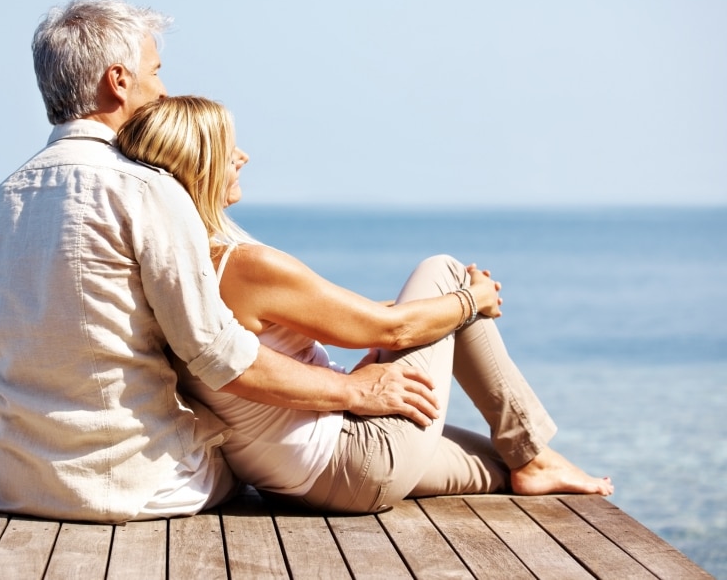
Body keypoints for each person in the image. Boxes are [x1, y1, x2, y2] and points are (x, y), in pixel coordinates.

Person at [0, 0, 448, 523]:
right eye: (155, 73)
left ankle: (522, 459)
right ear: (118, 80)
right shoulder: (144, 188)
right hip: (135, 483)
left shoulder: (9, 193)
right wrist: (351, 389)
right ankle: (525, 452)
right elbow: (215, 353)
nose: (163, 90)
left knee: (450, 461)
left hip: (20, 479)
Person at [116, 95, 614, 513]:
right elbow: (392, 330)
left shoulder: (171, 272)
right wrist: (471, 298)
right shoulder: (244, 265)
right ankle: (532, 450)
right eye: (228, 148)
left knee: (504, 468)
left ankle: (529, 460)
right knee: (446, 270)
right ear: (197, 167)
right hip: (353, 460)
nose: (242, 156)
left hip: (291, 482)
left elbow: (352, 318)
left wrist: (450, 309)